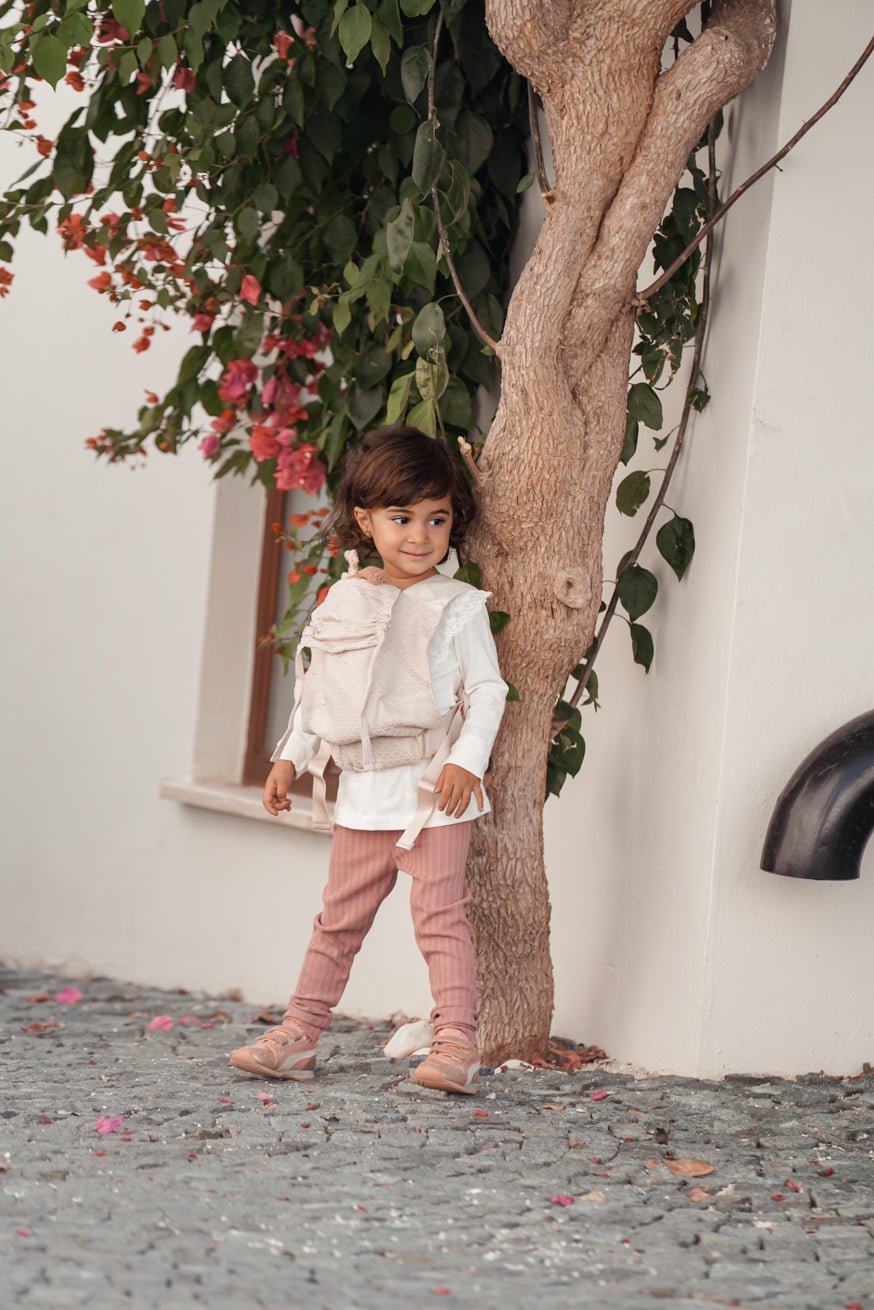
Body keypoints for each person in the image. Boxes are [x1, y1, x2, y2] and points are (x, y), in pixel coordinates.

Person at [229, 425, 508, 1095]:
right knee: (338, 922)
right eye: (401, 518)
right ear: (365, 520)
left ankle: (456, 1042)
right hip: (361, 796)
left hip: (433, 798)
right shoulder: (342, 599)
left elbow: (488, 690)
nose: (420, 535)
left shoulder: (458, 606)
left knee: (441, 920)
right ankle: (299, 1033)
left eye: (436, 518)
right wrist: (289, 757)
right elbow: (318, 689)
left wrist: (467, 761)